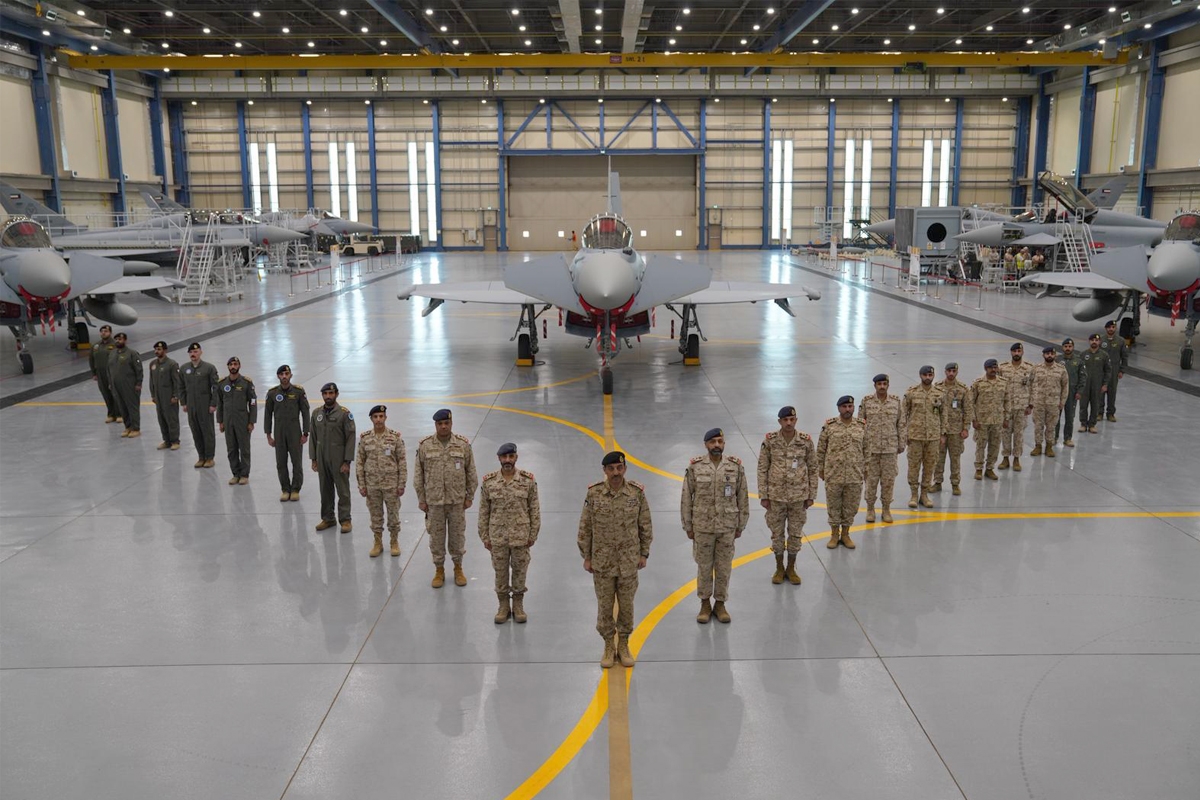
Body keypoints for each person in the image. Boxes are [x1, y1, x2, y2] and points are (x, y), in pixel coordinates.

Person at [578, 451, 652, 669]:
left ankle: (624, 644)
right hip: (603, 562)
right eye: (611, 469)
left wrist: (644, 553)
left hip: (629, 562)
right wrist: (587, 556)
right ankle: (609, 645)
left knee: (627, 606)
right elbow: (585, 527)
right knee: (605, 606)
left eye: (619, 468)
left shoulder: (636, 493)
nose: (616, 473)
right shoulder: (594, 494)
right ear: (605, 471)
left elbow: (645, 525)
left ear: (625, 469)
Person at [682, 428, 749, 624]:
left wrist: (741, 524)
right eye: (713, 442)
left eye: (720, 441)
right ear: (706, 445)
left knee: (724, 567)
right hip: (702, 526)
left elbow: (742, 496)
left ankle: (720, 604)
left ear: (724, 443)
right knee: (704, 567)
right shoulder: (695, 467)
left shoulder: (735, 467)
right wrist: (688, 525)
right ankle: (704, 604)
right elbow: (686, 497)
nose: (717, 445)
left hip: (727, 526)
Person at [414, 409, 478, 588]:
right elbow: (418, 474)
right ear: (435, 425)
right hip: (434, 502)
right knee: (436, 538)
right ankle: (439, 570)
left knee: (457, 537)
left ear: (451, 423)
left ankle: (458, 568)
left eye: (446, 423)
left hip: (456, 501)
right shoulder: (425, 445)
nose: (443, 426)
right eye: (440, 423)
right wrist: (421, 499)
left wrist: (469, 496)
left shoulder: (462, 445)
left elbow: (471, 472)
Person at [478, 442, 540, 623]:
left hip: (521, 537)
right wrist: (485, 536)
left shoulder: (527, 481)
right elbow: (484, 511)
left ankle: (518, 605)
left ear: (516, 458)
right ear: (499, 458)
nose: (507, 460)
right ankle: (503, 606)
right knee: (500, 573)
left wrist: (533, 534)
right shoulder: (489, 482)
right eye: (504, 457)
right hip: (497, 537)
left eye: (511, 457)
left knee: (520, 572)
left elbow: (534, 509)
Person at [757, 405, 817, 585]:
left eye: (792, 419)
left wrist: (811, 495)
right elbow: (762, 468)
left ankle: (791, 568)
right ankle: (779, 567)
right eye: (785, 420)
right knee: (777, 534)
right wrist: (763, 495)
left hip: (799, 496)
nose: (789, 423)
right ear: (780, 421)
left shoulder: (805, 441)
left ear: (796, 420)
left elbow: (813, 468)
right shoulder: (770, 441)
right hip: (776, 496)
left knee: (795, 534)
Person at [355, 405, 406, 558]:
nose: (378, 420)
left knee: (393, 515)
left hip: (391, 484)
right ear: (371, 419)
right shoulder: (365, 439)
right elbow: (360, 463)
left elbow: (402, 462)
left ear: (385, 418)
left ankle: (394, 542)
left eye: (381, 416)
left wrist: (401, 484)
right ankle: (378, 543)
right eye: (375, 417)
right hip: (372, 484)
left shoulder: (394, 437)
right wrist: (362, 485)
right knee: (375, 516)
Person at [818, 396, 867, 549]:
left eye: (850, 406)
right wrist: (821, 469)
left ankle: (845, 534)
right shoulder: (830, 426)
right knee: (833, 505)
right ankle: (834, 534)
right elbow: (821, 449)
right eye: (844, 406)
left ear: (854, 408)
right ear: (839, 408)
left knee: (851, 506)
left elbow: (867, 449)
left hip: (854, 474)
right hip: (834, 474)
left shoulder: (861, 426)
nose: (847, 409)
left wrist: (866, 470)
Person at [859, 374, 905, 524]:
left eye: (884, 384)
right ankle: (870, 509)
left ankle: (886, 509)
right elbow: (860, 425)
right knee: (871, 481)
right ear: (875, 386)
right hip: (871, 450)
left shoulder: (896, 402)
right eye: (879, 384)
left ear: (888, 385)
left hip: (889, 449)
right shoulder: (866, 402)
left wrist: (901, 442)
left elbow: (901, 423)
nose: (882, 387)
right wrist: (861, 446)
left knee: (888, 481)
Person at [310, 382, 356, 532]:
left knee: (343, 490)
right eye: (325, 394)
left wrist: (347, 461)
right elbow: (313, 437)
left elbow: (350, 438)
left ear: (336, 394)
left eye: (331, 393)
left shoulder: (344, 414)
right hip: (322, 457)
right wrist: (314, 459)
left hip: (339, 458)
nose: (328, 396)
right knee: (325, 489)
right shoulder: (316, 413)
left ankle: (345, 520)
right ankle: (328, 518)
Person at [264, 365, 310, 502]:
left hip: (295, 432)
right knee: (281, 463)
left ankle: (295, 489)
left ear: (291, 375)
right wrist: (268, 435)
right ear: (278, 376)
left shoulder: (298, 392)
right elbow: (268, 415)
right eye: (281, 374)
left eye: (286, 374)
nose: (284, 376)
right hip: (279, 432)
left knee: (297, 462)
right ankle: (285, 489)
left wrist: (305, 433)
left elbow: (305, 412)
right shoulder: (272, 393)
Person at [903, 366, 945, 509]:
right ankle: (914, 495)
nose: (928, 377)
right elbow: (904, 414)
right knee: (913, 466)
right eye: (925, 375)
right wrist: (905, 433)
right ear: (920, 375)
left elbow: (943, 414)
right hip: (915, 436)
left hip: (933, 437)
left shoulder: (939, 393)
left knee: (929, 466)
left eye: (930, 375)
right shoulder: (911, 393)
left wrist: (942, 434)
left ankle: (924, 495)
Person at [216, 356, 256, 486]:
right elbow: (220, 403)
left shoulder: (246, 383)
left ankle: (244, 474)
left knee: (244, 448)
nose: (233, 367)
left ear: (239, 366)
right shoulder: (222, 383)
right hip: (228, 421)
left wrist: (251, 421)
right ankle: (235, 474)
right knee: (231, 449)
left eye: (235, 364)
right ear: (228, 366)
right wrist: (220, 421)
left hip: (242, 420)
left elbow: (253, 402)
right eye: (231, 364)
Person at [934, 362, 972, 495]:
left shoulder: (963, 389)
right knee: (938, 458)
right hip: (940, 430)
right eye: (949, 371)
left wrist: (966, 428)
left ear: (957, 372)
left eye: (953, 371)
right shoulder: (937, 387)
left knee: (955, 458)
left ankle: (955, 484)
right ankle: (937, 482)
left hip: (956, 430)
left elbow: (968, 409)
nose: (951, 373)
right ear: (945, 371)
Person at [180, 342, 219, 468]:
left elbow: (216, 387)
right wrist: (183, 402)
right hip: (191, 405)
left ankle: (209, 457)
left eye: (195, 352)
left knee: (207, 431)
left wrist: (213, 404)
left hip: (205, 405)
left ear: (201, 352)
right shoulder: (184, 368)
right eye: (191, 352)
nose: (193, 354)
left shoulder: (209, 368)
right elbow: (181, 386)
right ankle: (201, 457)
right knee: (195, 431)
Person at [997, 343, 1033, 471]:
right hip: (1006, 407)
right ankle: (1005, 458)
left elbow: (1034, 387)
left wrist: (1031, 405)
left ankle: (1017, 458)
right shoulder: (1002, 368)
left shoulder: (1029, 368)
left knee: (1019, 434)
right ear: (1011, 352)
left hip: (1021, 407)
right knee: (1005, 433)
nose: (1016, 353)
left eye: (1019, 351)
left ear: (1022, 352)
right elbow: (998, 386)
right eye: (1014, 351)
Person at [971, 359, 1009, 480]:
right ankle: (978, 469)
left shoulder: (1004, 382)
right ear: (985, 369)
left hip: (997, 420)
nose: (993, 370)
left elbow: (1007, 401)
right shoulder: (978, 383)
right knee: (980, 446)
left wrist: (1006, 418)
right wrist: (974, 419)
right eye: (990, 368)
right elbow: (971, 402)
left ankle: (990, 469)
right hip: (982, 421)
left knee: (995, 445)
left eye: (995, 367)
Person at [1030, 345, 1069, 458]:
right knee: (1038, 426)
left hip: (1054, 403)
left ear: (1055, 355)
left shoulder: (1061, 369)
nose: (1050, 356)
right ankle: (1038, 446)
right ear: (1043, 355)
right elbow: (1030, 384)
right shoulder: (1036, 368)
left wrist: (1062, 401)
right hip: (1039, 403)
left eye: (1052, 354)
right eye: (1047, 354)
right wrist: (1031, 400)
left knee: (1051, 426)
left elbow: (1065, 386)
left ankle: (1049, 447)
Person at [148, 341, 182, 451]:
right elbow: (151, 381)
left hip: (169, 396)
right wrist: (153, 395)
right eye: (155, 349)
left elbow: (177, 381)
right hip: (158, 397)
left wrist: (176, 396)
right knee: (161, 418)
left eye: (159, 349)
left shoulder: (172, 364)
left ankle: (175, 441)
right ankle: (166, 440)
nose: (156, 351)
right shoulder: (153, 364)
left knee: (171, 419)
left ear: (165, 350)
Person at [108, 332, 142, 439]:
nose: (118, 341)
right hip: (116, 385)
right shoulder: (112, 353)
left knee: (132, 407)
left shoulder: (132, 353)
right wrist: (110, 383)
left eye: (120, 339)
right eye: (116, 339)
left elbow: (139, 369)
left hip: (129, 384)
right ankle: (128, 427)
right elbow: (109, 369)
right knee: (122, 406)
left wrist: (138, 383)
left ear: (125, 340)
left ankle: (135, 428)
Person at [1055, 338, 1086, 448]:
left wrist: (1080, 391)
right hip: (1058, 393)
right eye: (1066, 346)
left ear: (1073, 347)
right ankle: (1054, 437)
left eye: (1070, 346)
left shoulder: (1078, 361)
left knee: (1070, 417)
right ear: (1062, 347)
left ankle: (1067, 438)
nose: (1068, 348)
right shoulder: (1057, 360)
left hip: (1072, 393)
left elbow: (1083, 377)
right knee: (1055, 416)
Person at [1078, 334, 1111, 434]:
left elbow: (1108, 371)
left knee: (1095, 404)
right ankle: (1083, 424)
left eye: (1096, 340)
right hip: (1085, 385)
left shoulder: (1104, 355)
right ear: (1089, 341)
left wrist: (1105, 384)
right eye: (1092, 340)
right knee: (1083, 405)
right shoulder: (1083, 354)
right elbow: (1078, 370)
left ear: (1099, 342)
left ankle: (1092, 424)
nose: (1094, 342)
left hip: (1097, 385)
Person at [89, 324, 120, 423]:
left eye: (106, 331)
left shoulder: (115, 345)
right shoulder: (96, 346)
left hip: (113, 373)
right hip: (100, 374)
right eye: (102, 331)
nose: (103, 333)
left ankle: (119, 414)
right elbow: (91, 359)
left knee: (115, 394)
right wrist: (94, 373)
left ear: (110, 333)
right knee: (106, 394)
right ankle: (111, 414)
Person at [1099, 320, 1128, 422]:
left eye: (1113, 327)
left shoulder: (1121, 341)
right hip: (1101, 371)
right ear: (1105, 328)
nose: (1111, 329)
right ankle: (1099, 413)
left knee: (1112, 392)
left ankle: (1110, 413)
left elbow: (1124, 356)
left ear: (1116, 328)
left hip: (1114, 371)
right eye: (1109, 327)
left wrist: (1122, 370)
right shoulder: (1100, 340)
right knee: (1100, 392)